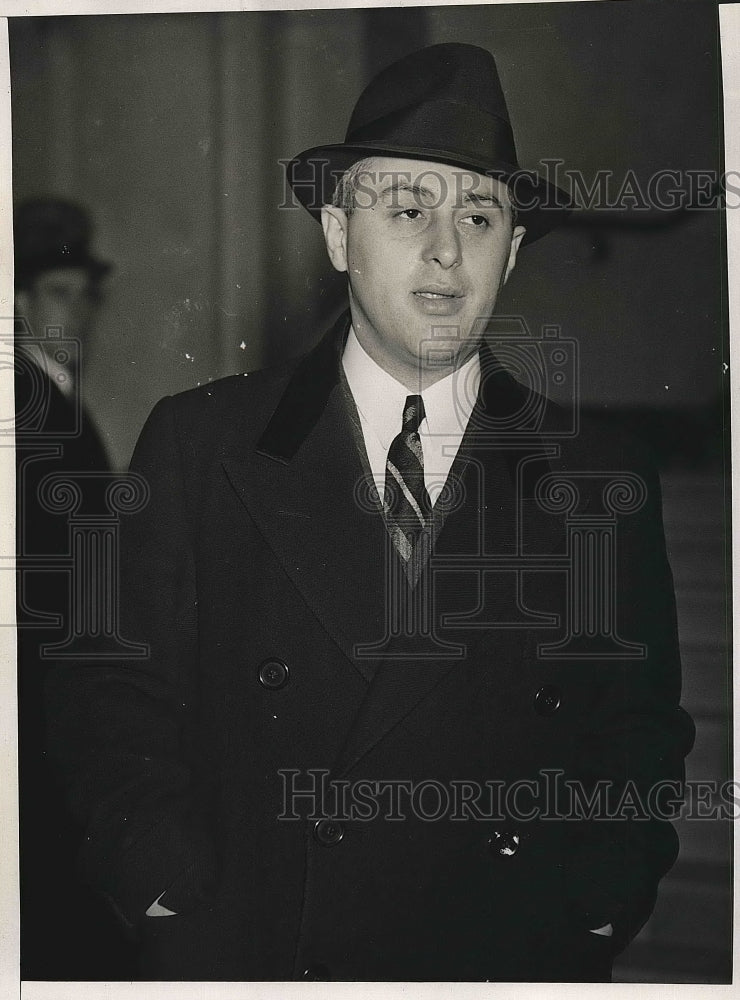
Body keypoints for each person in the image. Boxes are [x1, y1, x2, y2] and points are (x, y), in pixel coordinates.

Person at [46, 44, 694, 982]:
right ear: (339, 236)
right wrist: (162, 882)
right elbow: (112, 694)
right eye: (407, 210)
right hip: (257, 950)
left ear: (512, 251)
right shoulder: (202, 443)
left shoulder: (600, 475)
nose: (445, 248)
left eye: (478, 214)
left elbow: (638, 729)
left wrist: (598, 898)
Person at [15, 199, 135, 979]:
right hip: (40, 675)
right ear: (18, 302)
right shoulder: (27, 401)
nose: (80, 309)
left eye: (84, 291)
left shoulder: (54, 391)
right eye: (60, 291)